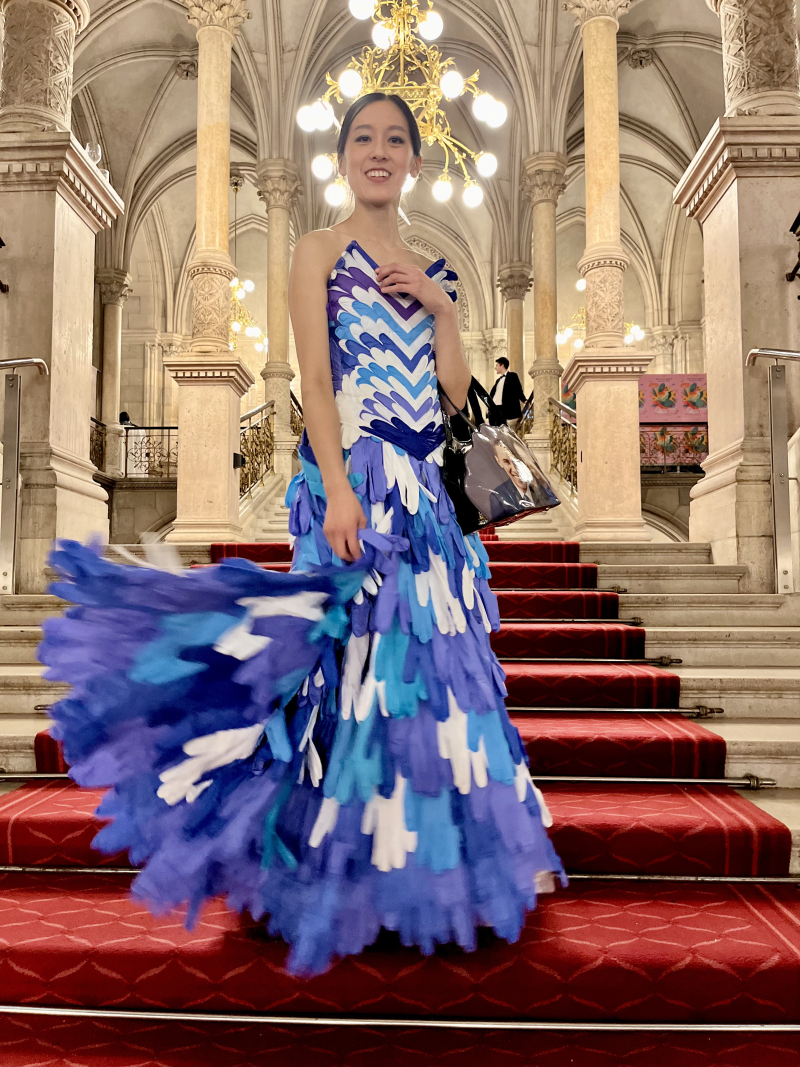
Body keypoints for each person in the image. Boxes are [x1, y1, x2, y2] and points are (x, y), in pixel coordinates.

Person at [40, 92, 564, 979]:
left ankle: (431, 859)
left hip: (430, 501)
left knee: (432, 673)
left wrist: (444, 311)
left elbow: (455, 401)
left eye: (396, 140)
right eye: (364, 137)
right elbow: (316, 383)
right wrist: (333, 488)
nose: (379, 152)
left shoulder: (436, 268)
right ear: (341, 154)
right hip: (354, 479)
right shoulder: (316, 251)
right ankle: (342, 860)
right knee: (349, 671)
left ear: (416, 161)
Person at [489, 356, 528, 427]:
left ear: (502, 365)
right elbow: (492, 394)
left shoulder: (512, 376)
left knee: (506, 430)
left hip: (505, 409)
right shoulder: (498, 381)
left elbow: (518, 389)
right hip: (495, 410)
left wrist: (524, 400)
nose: (495, 368)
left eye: (497, 365)